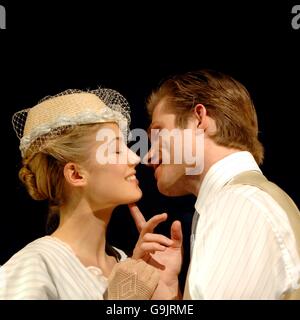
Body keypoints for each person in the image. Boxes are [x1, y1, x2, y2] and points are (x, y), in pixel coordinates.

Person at [130, 69, 300, 299]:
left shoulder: (238, 205)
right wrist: (169, 295)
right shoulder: (244, 201)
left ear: (199, 119)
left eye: (158, 133)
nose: (148, 156)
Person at [0, 88, 182, 300]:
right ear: (76, 174)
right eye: (115, 150)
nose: (134, 157)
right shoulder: (34, 267)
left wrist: (167, 292)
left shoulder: (126, 265)